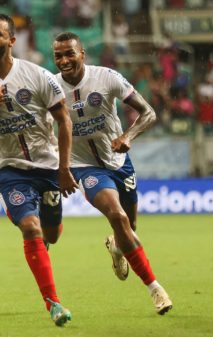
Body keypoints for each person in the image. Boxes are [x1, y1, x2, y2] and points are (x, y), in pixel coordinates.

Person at [0, 13, 78, 327]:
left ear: (12, 41)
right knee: (31, 228)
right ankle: (53, 303)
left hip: (48, 167)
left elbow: (65, 121)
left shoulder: (39, 76)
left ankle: (43, 246)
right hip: (9, 170)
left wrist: (65, 167)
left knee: (50, 232)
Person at [52, 32, 173, 315]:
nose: (64, 60)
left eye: (70, 53)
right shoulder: (51, 89)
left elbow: (149, 113)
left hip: (119, 162)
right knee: (117, 217)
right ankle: (155, 288)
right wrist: (62, 168)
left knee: (129, 227)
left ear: (83, 54)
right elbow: (45, 134)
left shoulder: (107, 78)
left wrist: (129, 135)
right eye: (58, 55)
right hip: (86, 167)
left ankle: (117, 246)